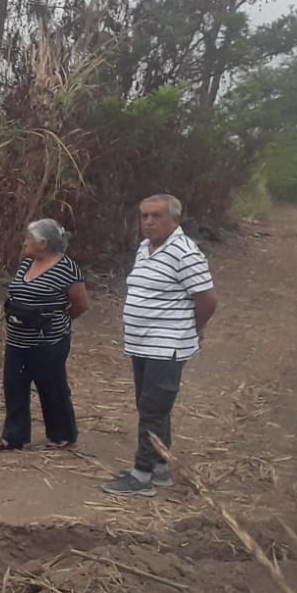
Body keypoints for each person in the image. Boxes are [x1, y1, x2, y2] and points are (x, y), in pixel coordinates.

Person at [102, 194, 218, 497]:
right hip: (142, 344)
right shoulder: (145, 248)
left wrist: (195, 328)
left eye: (157, 216)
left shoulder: (184, 252)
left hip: (166, 345)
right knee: (150, 406)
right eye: (145, 216)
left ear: (175, 220)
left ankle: (141, 475)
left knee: (153, 409)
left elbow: (207, 298)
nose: (149, 222)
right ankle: (160, 467)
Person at [0, 218, 90, 451]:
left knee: (51, 386)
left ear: (43, 243)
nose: (24, 242)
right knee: (14, 385)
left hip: (49, 341)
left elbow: (81, 304)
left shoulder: (68, 269)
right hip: (17, 339)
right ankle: (13, 436)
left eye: (29, 238)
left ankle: (62, 434)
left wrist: (56, 321)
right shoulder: (27, 263)